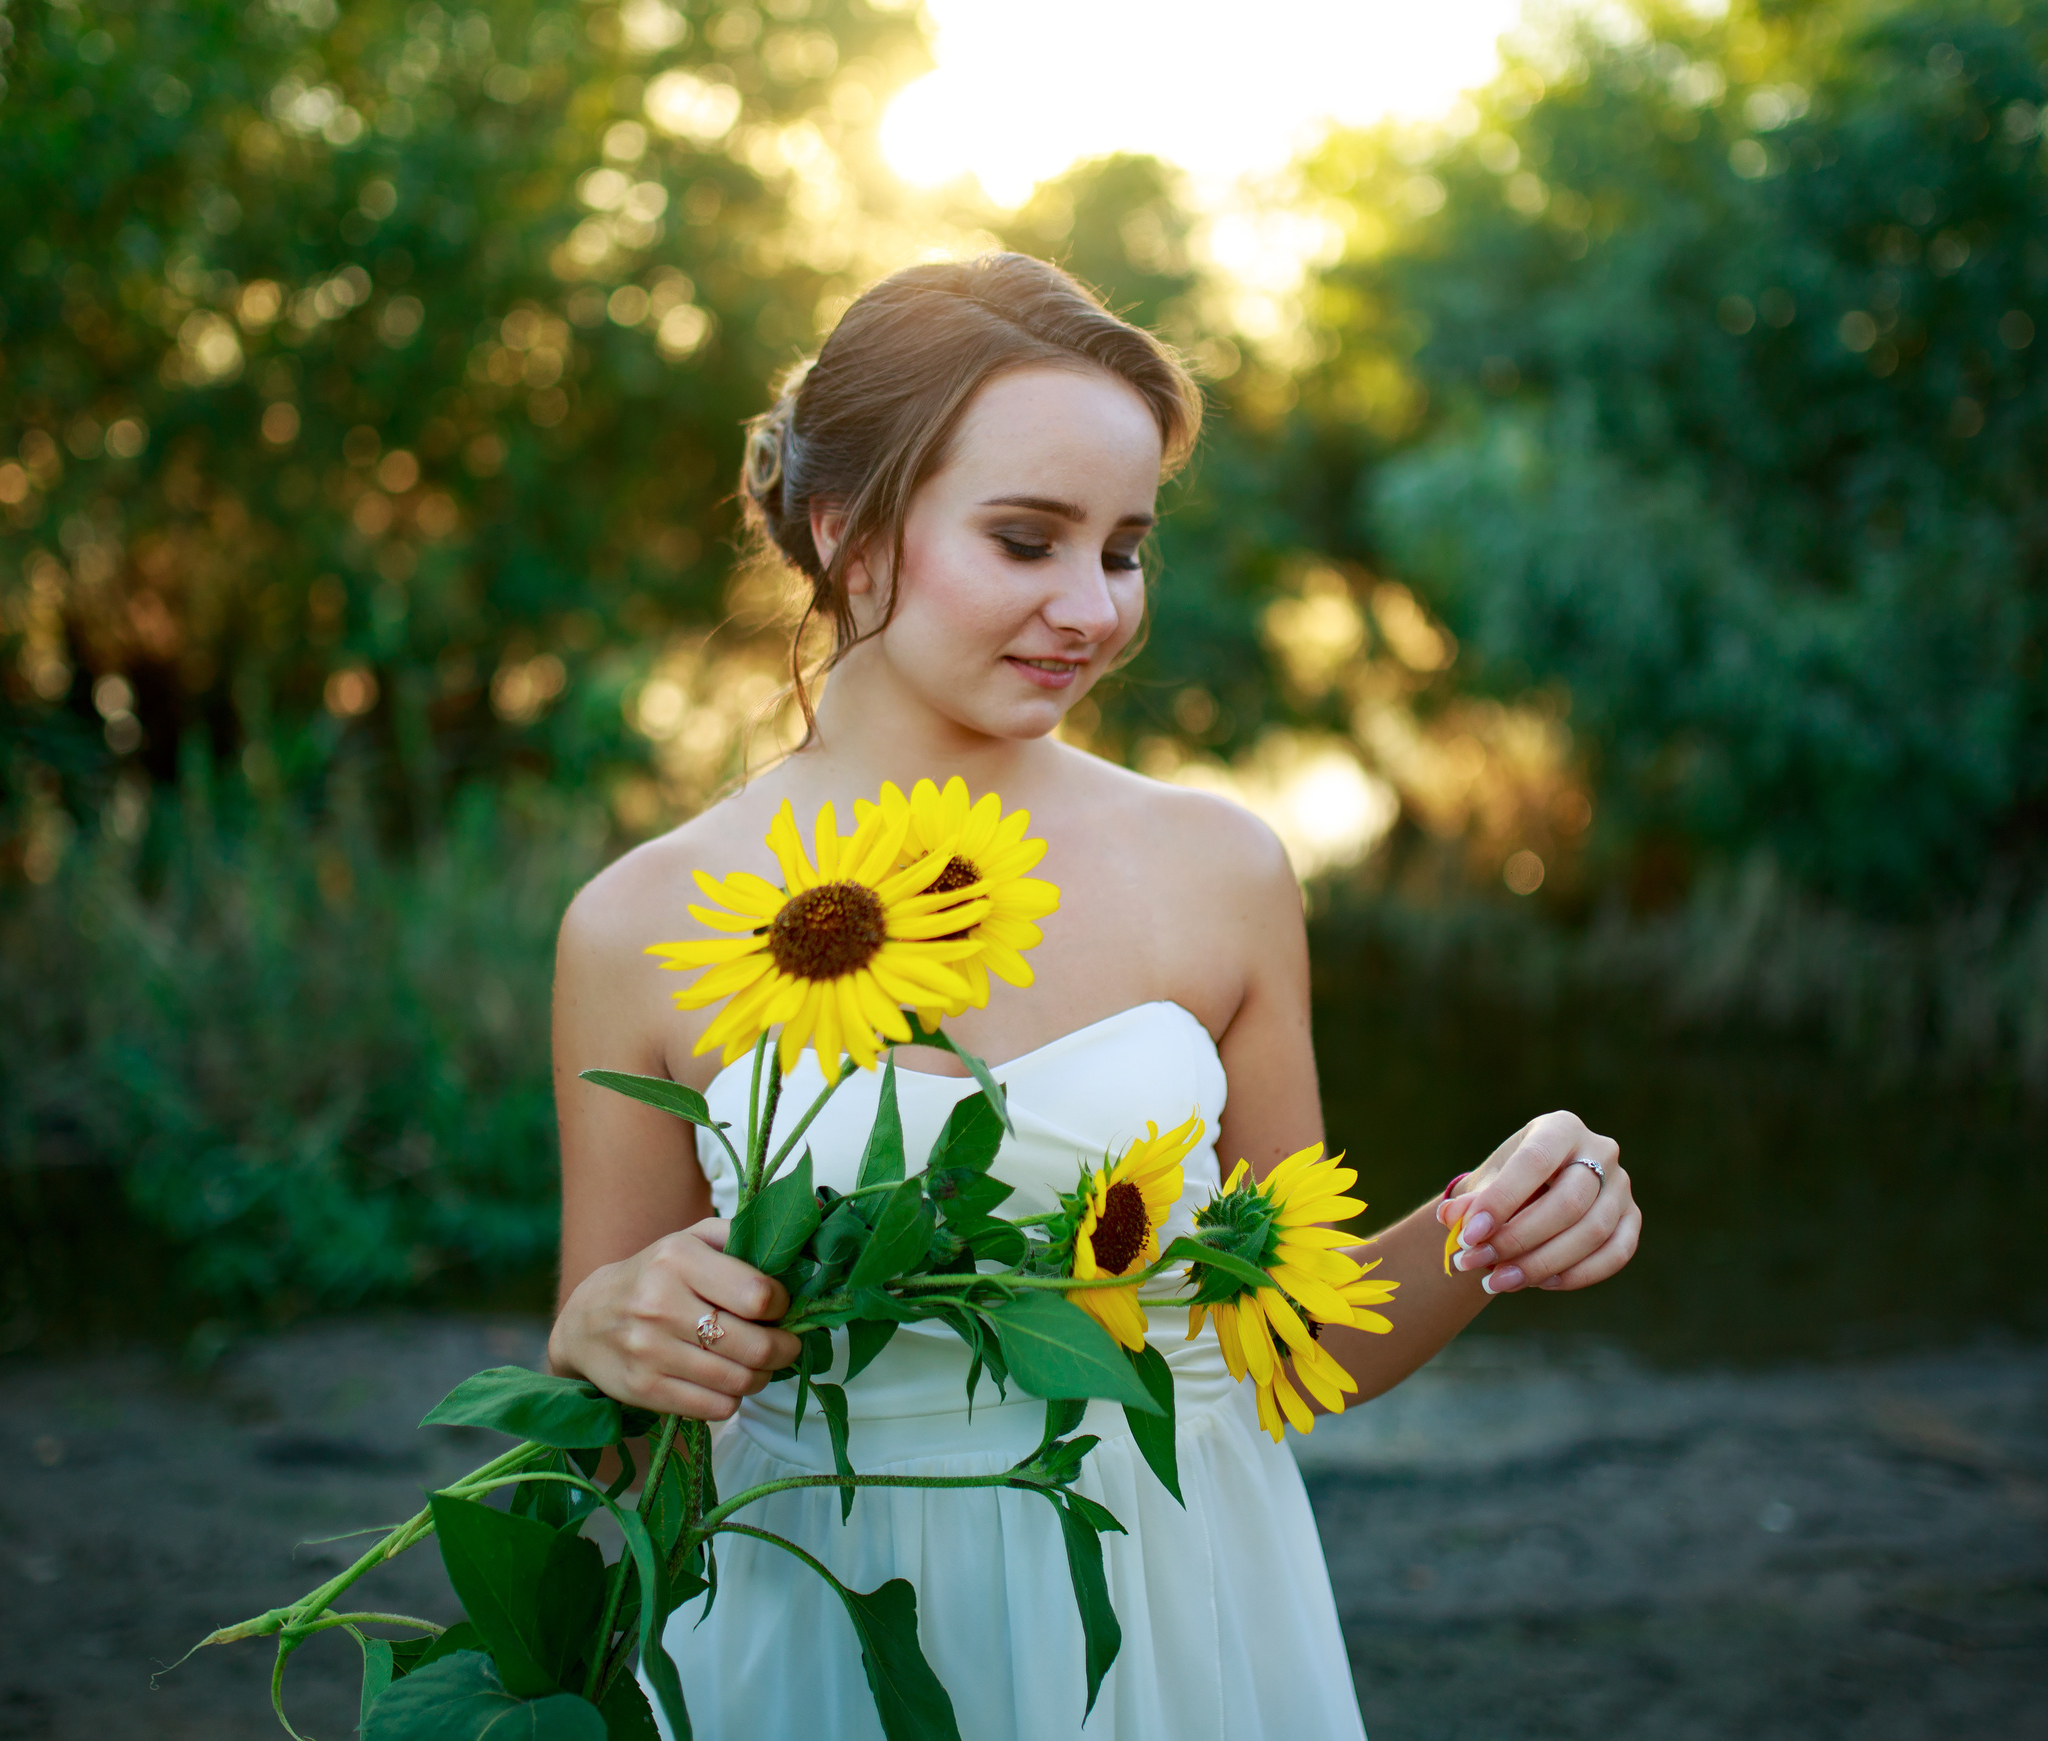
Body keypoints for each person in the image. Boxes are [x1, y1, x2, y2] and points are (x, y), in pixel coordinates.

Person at [548, 253, 1642, 1738]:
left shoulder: (1222, 868)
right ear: (848, 535)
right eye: (1025, 539)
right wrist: (605, 1332)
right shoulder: (641, 923)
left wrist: (1489, 1222)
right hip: (818, 1626)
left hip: (1174, 1616)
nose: (1091, 607)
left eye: (1123, 549)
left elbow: (1293, 1348)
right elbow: (609, 1443)